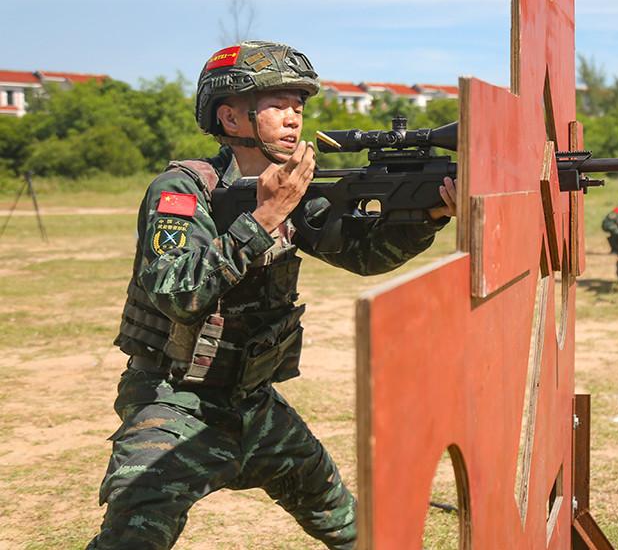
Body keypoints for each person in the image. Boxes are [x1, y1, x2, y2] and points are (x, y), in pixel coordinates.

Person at [87, 41, 456, 550]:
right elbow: (177, 293)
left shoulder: (294, 191)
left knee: (353, 527)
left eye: (299, 107)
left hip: (255, 406)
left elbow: (364, 256)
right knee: (133, 535)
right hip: (173, 402)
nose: (293, 119)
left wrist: (426, 214)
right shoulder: (182, 191)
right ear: (231, 118)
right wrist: (263, 217)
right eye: (277, 105)